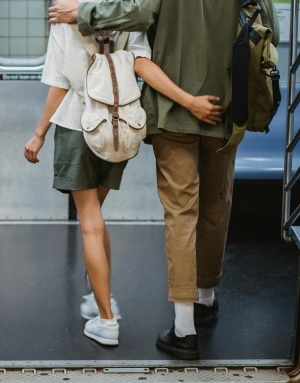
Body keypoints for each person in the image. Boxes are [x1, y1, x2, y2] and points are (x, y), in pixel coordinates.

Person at [49, 0, 241, 360]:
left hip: (172, 115)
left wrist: (83, 12)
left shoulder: (78, 21)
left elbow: (137, 12)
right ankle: (206, 297)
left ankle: (184, 329)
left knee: (181, 214)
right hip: (226, 108)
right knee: (217, 204)